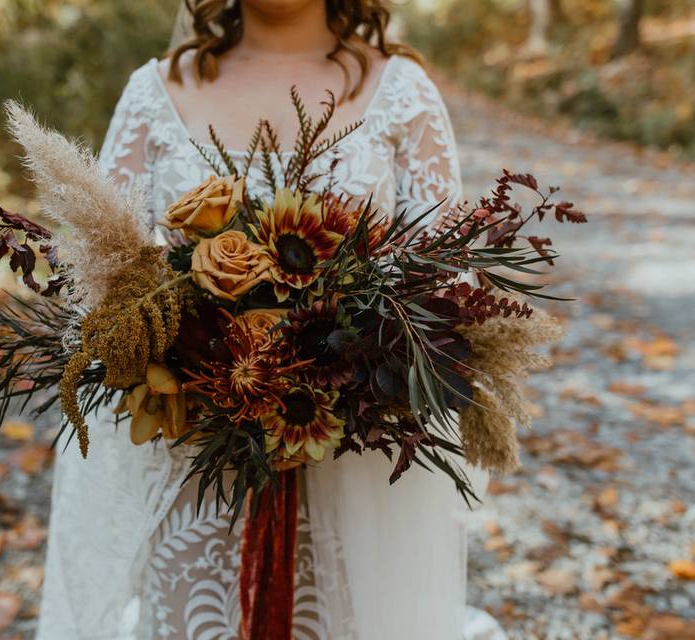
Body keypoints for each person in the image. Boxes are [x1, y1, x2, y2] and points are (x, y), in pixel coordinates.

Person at [38, 1, 504, 638]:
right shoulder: (157, 92)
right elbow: (101, 290)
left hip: (357, 467)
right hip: (194, 467)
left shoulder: (401, 93)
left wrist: (351, 361)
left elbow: (444, 290)